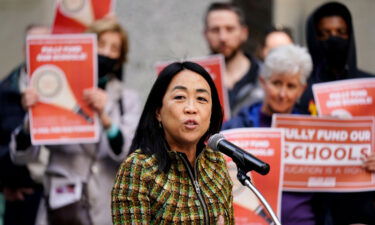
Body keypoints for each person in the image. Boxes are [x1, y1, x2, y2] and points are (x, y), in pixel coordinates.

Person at [10, 17, 140, 225]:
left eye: (114, 48)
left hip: (106, 209)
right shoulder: (56, 89)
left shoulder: (127, 98)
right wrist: (32, 117)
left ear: (120, 58)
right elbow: (23, 155)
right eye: (101, 44)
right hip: (62, 209)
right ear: (85, 47)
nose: (106, 53)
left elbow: (129, 154)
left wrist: (105, 119)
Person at [112, 61, 234, 224]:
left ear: (212, 112)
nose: (191, 108)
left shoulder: (216, 163)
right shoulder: (138, 169)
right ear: (158, 112)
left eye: (201, 99)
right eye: (179, 97)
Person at [296, 2, 375, 225]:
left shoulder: (371, 86)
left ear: (350, 36)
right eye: (325, 34)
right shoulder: (299, 91)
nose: (334, 39)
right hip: (312, 207)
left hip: (363, 206)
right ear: (313, 37)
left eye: (340, 32)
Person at [223, 45, 316, 225]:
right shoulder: (237, 127)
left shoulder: (313, 128)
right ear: (263, 82)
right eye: (276, 83)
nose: (282, 94)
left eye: (291, 86)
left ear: (302, 90)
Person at [0, 24, 50, 225]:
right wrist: (4, 184)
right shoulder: (5, 92)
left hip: (64, 195)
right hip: (23, 196)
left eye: (46, 45)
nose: (40, 51)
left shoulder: (70, 88)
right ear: (24, 50)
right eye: (34, 45)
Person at [204, 2, 263, 117]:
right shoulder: (194, 78)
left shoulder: (265, 76)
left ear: (244, 33)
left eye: (230, 29)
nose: (223, 38)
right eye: (215, 30)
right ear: (205, 34)